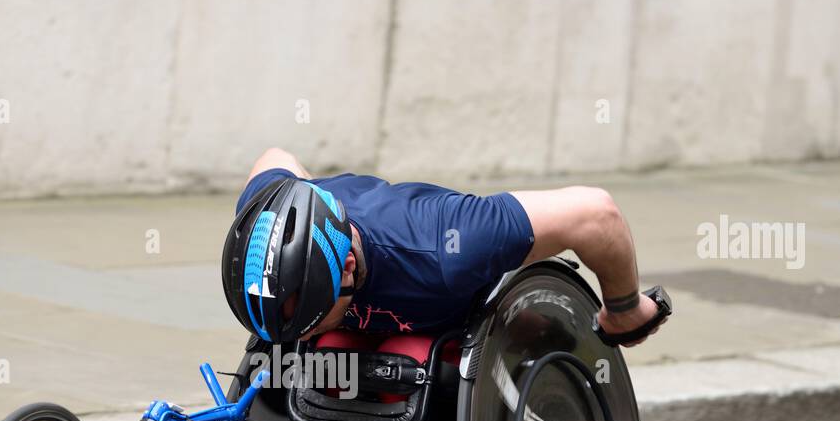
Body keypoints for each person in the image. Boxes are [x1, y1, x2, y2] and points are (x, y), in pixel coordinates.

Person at [221, 146, 666, 346]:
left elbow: (595, 213)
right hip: (376, 328)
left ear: (348, 265)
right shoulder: (272, 215)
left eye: (309, 325)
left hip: (462, 313)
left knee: (540, 336)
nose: (300, 340)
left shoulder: (451, 244)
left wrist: (624, 309)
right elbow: (273, 157)